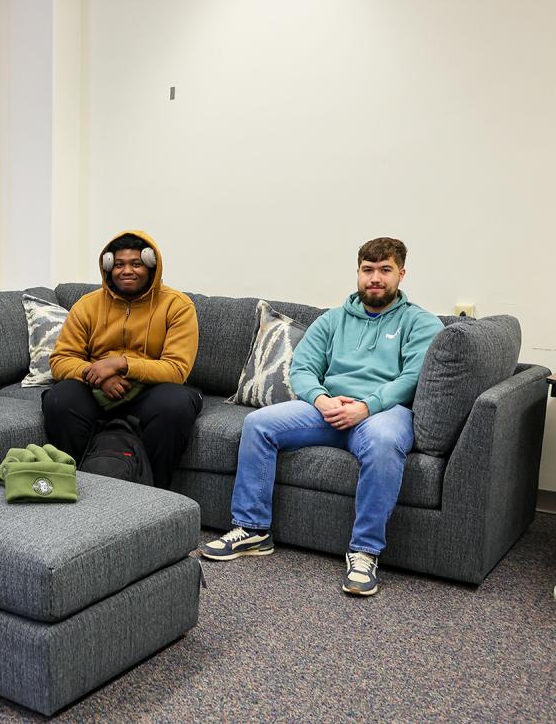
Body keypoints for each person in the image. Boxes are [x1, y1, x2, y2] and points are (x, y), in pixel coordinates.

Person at [201, 237, 443, 596]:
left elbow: (412, 378)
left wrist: (368, 406)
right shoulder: (333, 319)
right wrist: (320, 398)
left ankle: (364, 552)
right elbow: (302, 367)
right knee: (259, 424)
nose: (375, 278)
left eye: (385, 270)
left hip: (383, 413)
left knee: (385, 441)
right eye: (368, 270)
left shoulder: (421, 323)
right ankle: (253, 530)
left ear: (401, 274)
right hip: (326, 410)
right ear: (358, 272)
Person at [43, 230, 203, 486]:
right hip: (96, 392)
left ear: (151, 266)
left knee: (177, 403)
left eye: (136, 263)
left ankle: (155, 493)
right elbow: (61, 359)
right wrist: (96, 375)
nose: (126, 270)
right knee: (59, 399)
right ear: (108, 267)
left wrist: (121, 364)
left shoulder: (177, 306)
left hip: (150, 393)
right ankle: (76, 486)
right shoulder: (87, 305)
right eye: (119, 264)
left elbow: (176, 369)